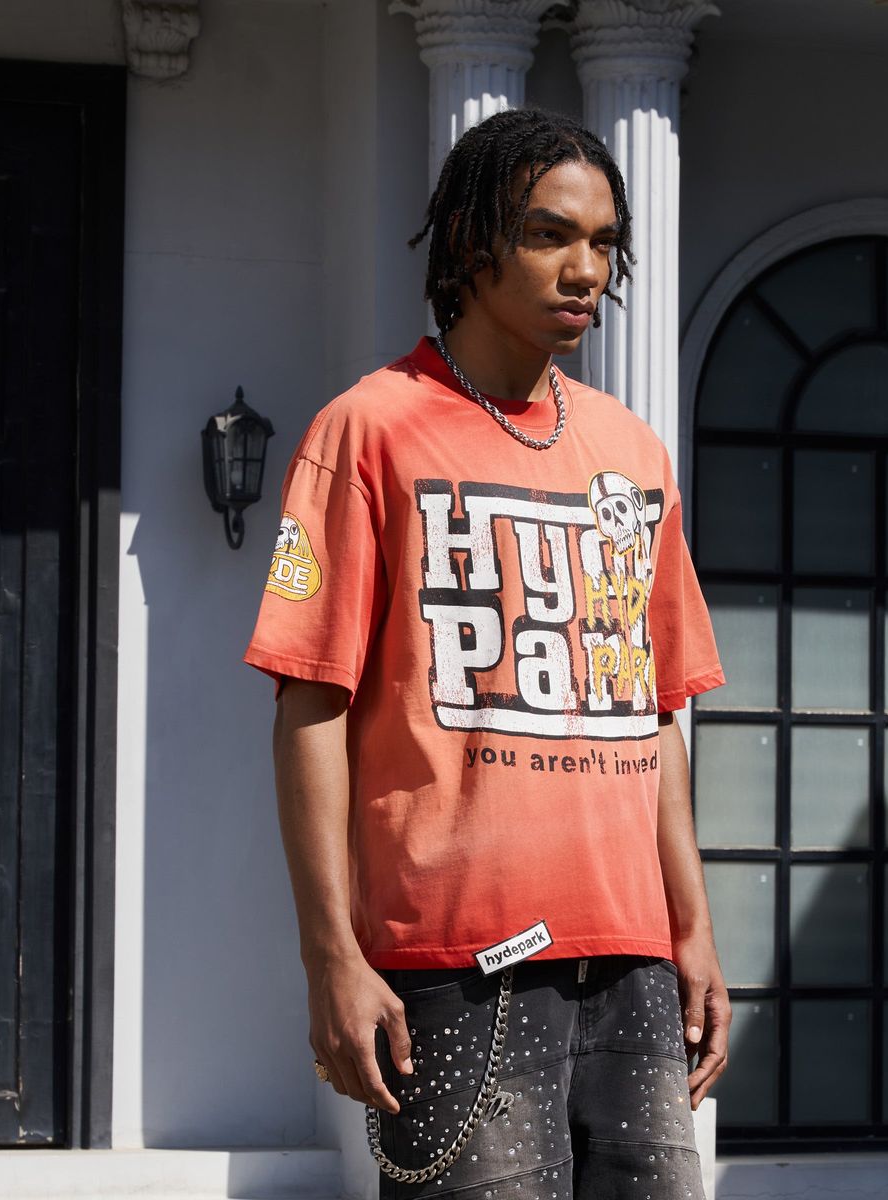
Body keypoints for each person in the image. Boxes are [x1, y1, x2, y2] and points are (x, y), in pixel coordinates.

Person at [245, 107, 730, 1200]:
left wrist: (691, 930)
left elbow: (653, 709)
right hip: (457, 966)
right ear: (472, 243)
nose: (585, 270)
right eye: (551, 235)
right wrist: (331, 957)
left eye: (604, 243)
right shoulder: (368, 431)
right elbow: (310, 705)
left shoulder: (631, 451)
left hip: (633, 964)